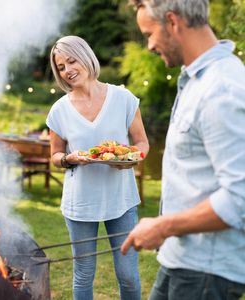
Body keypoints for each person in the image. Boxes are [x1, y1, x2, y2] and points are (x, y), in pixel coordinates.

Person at [121, 1, 245, 299]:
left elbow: (240, 198)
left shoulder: (221, 88)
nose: (149, 45)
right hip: (181, 258)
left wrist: (164, 225)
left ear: (173, 22)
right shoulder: (196, 80)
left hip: (207, 270)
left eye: (149, 33)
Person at [46, 35, 149, 300]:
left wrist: (130, 159)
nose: (67, 70)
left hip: (121, 200)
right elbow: (55, 156)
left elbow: (141, 143)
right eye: (61, 67)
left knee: (128, 274)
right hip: (80, 204)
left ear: (86, 57)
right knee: (83, 273)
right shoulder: (59, 110)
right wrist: (70, 159)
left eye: (71, 61)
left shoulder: (123, 98)